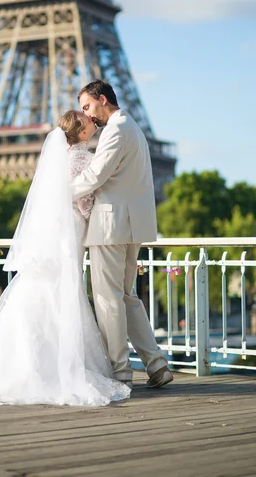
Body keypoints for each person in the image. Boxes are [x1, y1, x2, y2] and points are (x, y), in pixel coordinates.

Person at [0, 112, 131, 407]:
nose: (91, 126)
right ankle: (60, 363)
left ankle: (22, 361)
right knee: (65, 291)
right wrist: (92, 217)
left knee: (43, 287)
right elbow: (85, 200)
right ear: (80, 133)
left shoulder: (60, 158)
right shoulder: (83, 158)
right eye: (87, 124)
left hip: (55, 231)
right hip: (71, 231)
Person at [71, 80, 173, 389]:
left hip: (110, 225)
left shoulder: (115, 129)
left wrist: (58, 193)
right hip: (133, 225)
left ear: (103, 99)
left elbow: (96, 174)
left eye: (88, 107)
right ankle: (156, 364)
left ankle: (119, 372)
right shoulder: (133, 127)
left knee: (106, 299)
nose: (87, 115)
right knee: (127, 297)